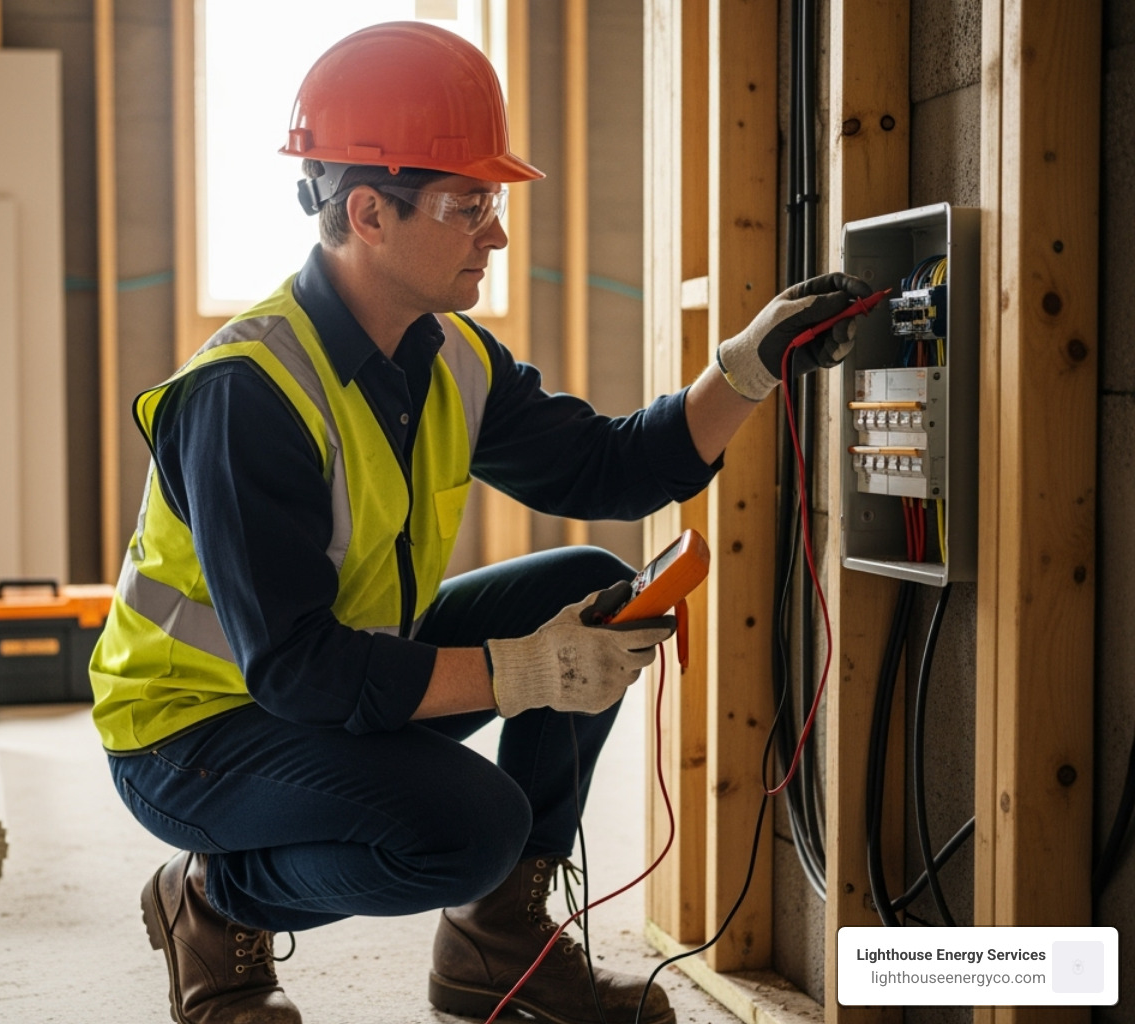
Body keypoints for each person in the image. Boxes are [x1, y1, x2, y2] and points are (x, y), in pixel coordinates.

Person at [88, 20, 870, 1024]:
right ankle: (210, 904)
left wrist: (750, 366)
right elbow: (298, 671)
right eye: (469, 205)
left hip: (323, 681)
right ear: (368, 212)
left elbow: (614, 467)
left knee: (579, 580)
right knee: (466, 825)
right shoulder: (250, 395)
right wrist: (523, 671)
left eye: (492, 203)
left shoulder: (448, 355)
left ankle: (497, 941)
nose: (496, 234)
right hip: (188, 734)